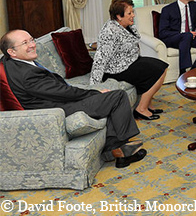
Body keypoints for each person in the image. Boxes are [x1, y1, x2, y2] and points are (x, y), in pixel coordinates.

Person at [0, 30, 147, 168]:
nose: (32, 45)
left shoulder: (11, 62)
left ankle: (115, 149)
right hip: (56, 110)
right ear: (11, 52)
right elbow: (61, 92)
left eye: (31, 40)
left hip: (55, 102)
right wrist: (94, 93)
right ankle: (120, 149)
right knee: (117, 96)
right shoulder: (27, 74)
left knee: (108, 100)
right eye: (25, 43)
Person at [91, 0, 168, 121]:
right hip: (117, 70)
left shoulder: (127, 26)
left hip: (130, 62)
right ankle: (141, 109)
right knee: (160, 69)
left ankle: (148, 104)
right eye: (129, 13)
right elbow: (100, 59)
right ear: (118, 16)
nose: (133, 15)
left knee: (160, 65)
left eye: (132, 12)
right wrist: (94, 87)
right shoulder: (109, 31)